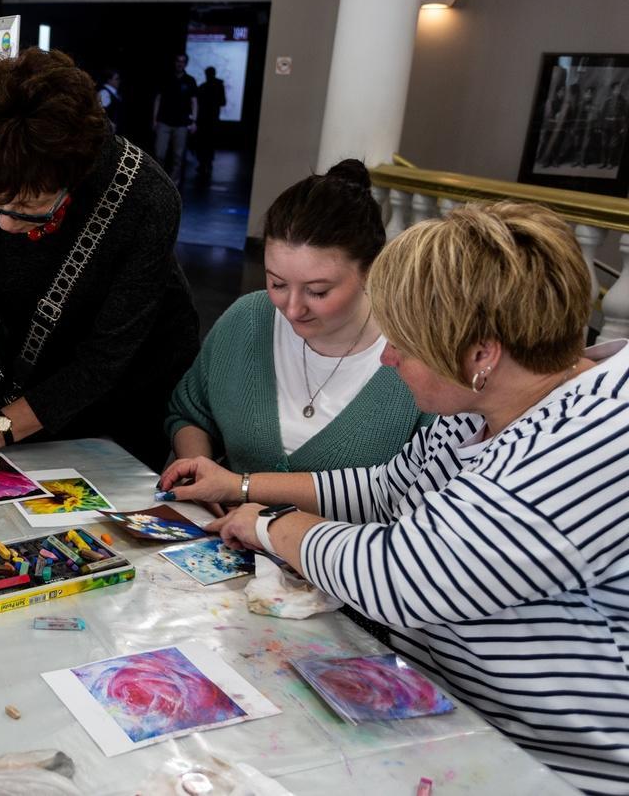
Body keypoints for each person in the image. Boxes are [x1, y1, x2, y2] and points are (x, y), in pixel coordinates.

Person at [160, 202, 629, 793]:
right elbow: (388, 487)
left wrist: (272, 527)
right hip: (444, 707)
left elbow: (403, 576)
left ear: (481, 355)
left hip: (542, 761)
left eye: (404, 343)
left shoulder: (584, 444)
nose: (386, 356)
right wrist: (241, 487)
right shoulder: (483, 405)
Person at [0, 48, 199, 498]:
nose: (5, 222)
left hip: (131, 386)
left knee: (93, 520)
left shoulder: (144, 201)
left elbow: (102, 362)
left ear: (75, 176)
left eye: (29, 208)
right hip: (34, 369)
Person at [166, 159, 428, 478]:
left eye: (317, 292)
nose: (291, 309)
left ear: (371, 271)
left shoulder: (416, 362)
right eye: (277, 284)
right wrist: (200, 467)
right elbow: (190, 411)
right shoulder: (247, 319)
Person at [152, 52, 197, 185]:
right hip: (164, 122)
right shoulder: (165, 78)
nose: (180, 63)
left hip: (181, 124)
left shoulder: (190, 80)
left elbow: (194, 101)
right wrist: (154, 119)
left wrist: (194, 121)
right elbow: (158, 99)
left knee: (178, 156)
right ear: (175, 62)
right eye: (178, 61)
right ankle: (159, 180)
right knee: (159, 154)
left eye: (183, 61)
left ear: (186, 64)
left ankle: (173, 183)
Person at [193, 66, 226, 182]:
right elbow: (223, 102)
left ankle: (204, 164)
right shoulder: (218, 86)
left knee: (204, 142)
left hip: (205, 120)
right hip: (211, 120)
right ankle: (207, 163)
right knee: (208, 143)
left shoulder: (203, 87)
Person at [97, 68, 123, 133]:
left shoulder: (114, 93)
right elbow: (100, 112)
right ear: (109, 80)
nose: (119, 81)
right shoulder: (104, 93)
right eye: (116, 79)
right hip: (107, 131)